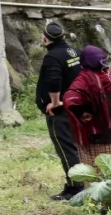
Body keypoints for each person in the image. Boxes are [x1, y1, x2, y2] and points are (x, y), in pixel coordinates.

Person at [63, 45, 111, 172]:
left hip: (96, 137)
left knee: (98, 177)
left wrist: (83, 113)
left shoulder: (84, 80)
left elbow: (70, 98)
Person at [35, 22, 83, 201]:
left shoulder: (52, 57)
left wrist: (55, 102)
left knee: (66, 150)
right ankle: (81, 182)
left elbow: (54, 81)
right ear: (63, 36)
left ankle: (75, 188)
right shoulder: (75, 52)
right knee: (76, 147)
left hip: (60, 113)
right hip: (76, 107)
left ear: (45, 39)